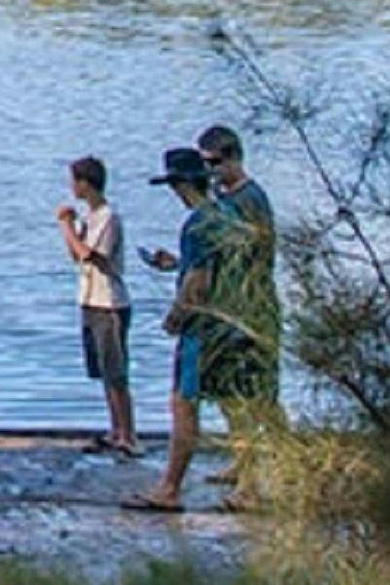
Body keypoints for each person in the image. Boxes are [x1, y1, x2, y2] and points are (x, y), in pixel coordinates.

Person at [127, 146, 222, 513]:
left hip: (200, 327)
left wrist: (176, 315)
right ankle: (247, 481)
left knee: (183, 403)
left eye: (174, 187)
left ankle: (169, 489)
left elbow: (197, 282)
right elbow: (208, 267)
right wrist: (176, 265)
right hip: (225, 321)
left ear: (181, 185)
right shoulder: (221, 215)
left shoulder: (197, 223)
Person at [197, 124, 285, 497]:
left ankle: (271, 469)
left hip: (252, 309)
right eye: (204, 165)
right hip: (225, 309)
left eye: (214, 163)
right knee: (227, 395)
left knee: (258, 396)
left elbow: (255, 252)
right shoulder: (223, 198)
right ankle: (240, 461)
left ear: (233, 158)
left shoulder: (252, 199)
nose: (210, 172)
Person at [56, 155, 137, 457]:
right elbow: (76, 254)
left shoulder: (108, 217)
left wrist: (66, 226)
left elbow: (92, 255)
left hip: (109, 303)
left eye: (74, 181)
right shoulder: (90, 218)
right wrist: (72, 230)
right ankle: (115, 430)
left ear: (85, 184)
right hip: (90, 299)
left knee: (116, 372)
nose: (71, 187)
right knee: (103, 371)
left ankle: (129, 434)